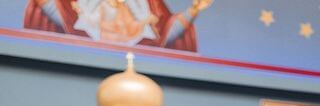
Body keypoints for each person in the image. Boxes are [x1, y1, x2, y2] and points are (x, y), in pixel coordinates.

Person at [24, 0, 213, 52]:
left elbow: (164, 34)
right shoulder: (86, 9)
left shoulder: (146, 7)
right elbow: (66, 18)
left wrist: (194, 10)